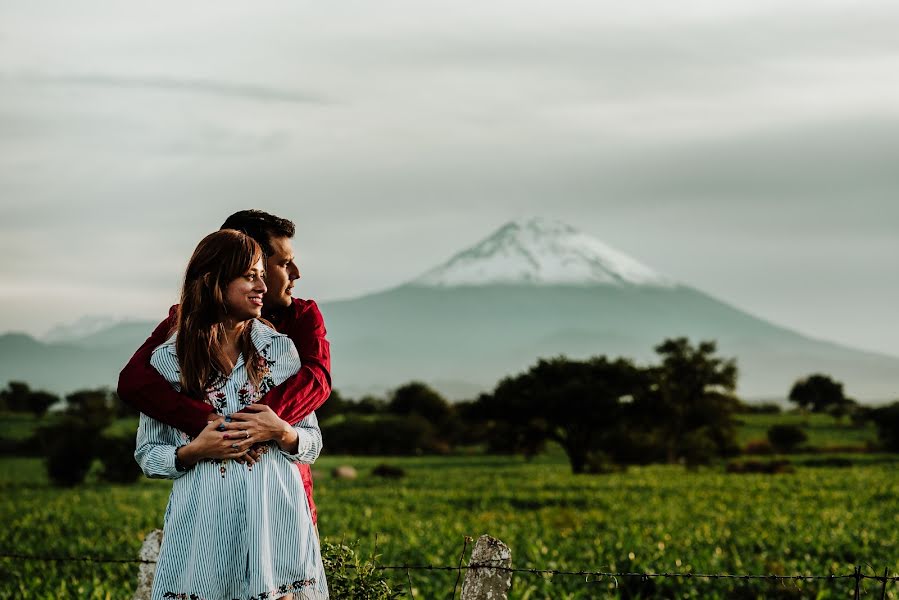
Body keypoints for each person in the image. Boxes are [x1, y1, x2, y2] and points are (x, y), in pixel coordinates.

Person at [135, 229, 328, 600]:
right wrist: (194, 450)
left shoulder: (282, 352)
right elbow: (147, 453)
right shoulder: (168, 361)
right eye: (249, 276)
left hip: (278, 533)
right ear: (213, 282)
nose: (261, 286)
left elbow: (313, 442)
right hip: (204, 539)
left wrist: (281, 430)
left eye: (261, 274)